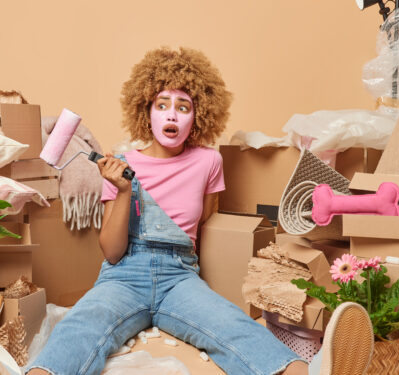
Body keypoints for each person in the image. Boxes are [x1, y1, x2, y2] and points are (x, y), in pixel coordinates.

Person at [26, 47, 373, 375]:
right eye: (162, 104)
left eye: (183, 106)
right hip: (123, 275)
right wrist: (122, 191)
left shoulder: (209, 161)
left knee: (232, 324)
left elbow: (205, 226)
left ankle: (310, 371)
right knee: (82, 324)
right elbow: (112, 252)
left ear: (198, 115)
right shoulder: (122, 165)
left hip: (179, 277)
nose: (172, 114)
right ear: (146, 111)